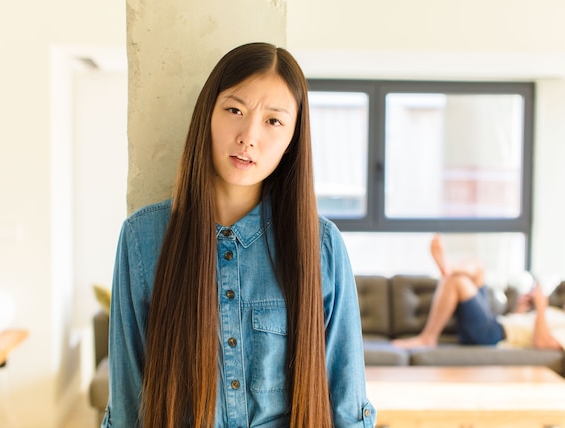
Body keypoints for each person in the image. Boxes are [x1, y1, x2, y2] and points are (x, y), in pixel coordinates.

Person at [102, 42, 375, 428]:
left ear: (293, 139)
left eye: (273, 121)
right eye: (235, 110)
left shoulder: (321, 245)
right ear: (207, 116)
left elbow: (347, 407)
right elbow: (129, 405)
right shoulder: (143, 239)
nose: (248, 136)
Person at [392, 234, 565, 351]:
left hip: (492, 336)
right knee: (478, 268)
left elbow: (543, 344)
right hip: (496, 325)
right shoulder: (562, 315)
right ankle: (449, 268)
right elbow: (522, 330)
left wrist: (541, 306)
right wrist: (521, 309)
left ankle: (428, 338)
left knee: (459, 283)